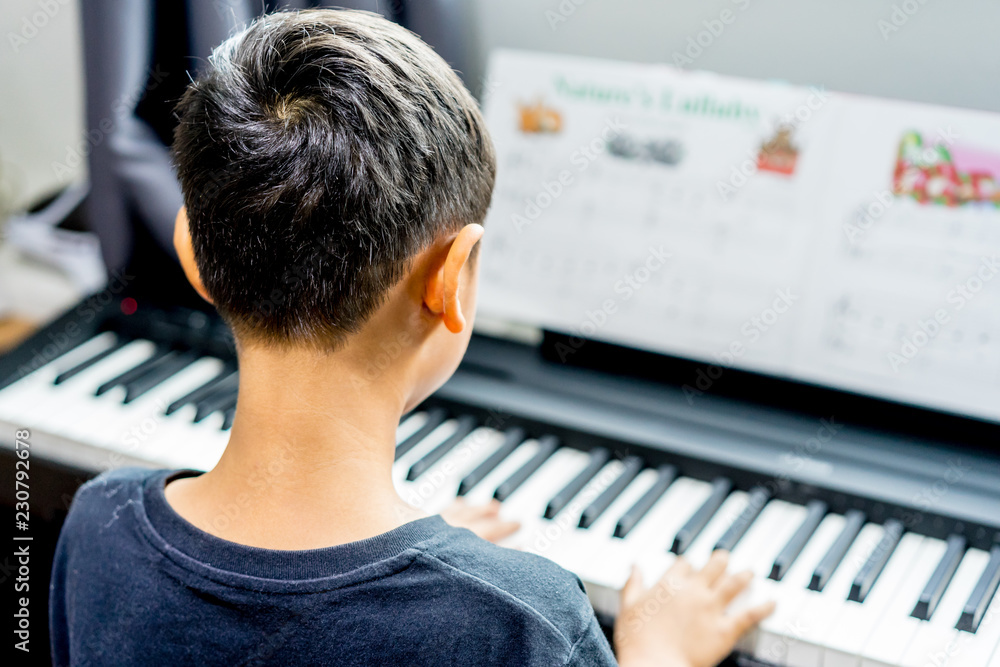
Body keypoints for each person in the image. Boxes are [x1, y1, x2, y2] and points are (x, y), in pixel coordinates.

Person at [49, 9, 773, 666]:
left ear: (193, 251)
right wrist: (662, 652)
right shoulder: (523, 624)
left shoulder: (96, 526)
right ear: (450, 279)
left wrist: (424, 566)